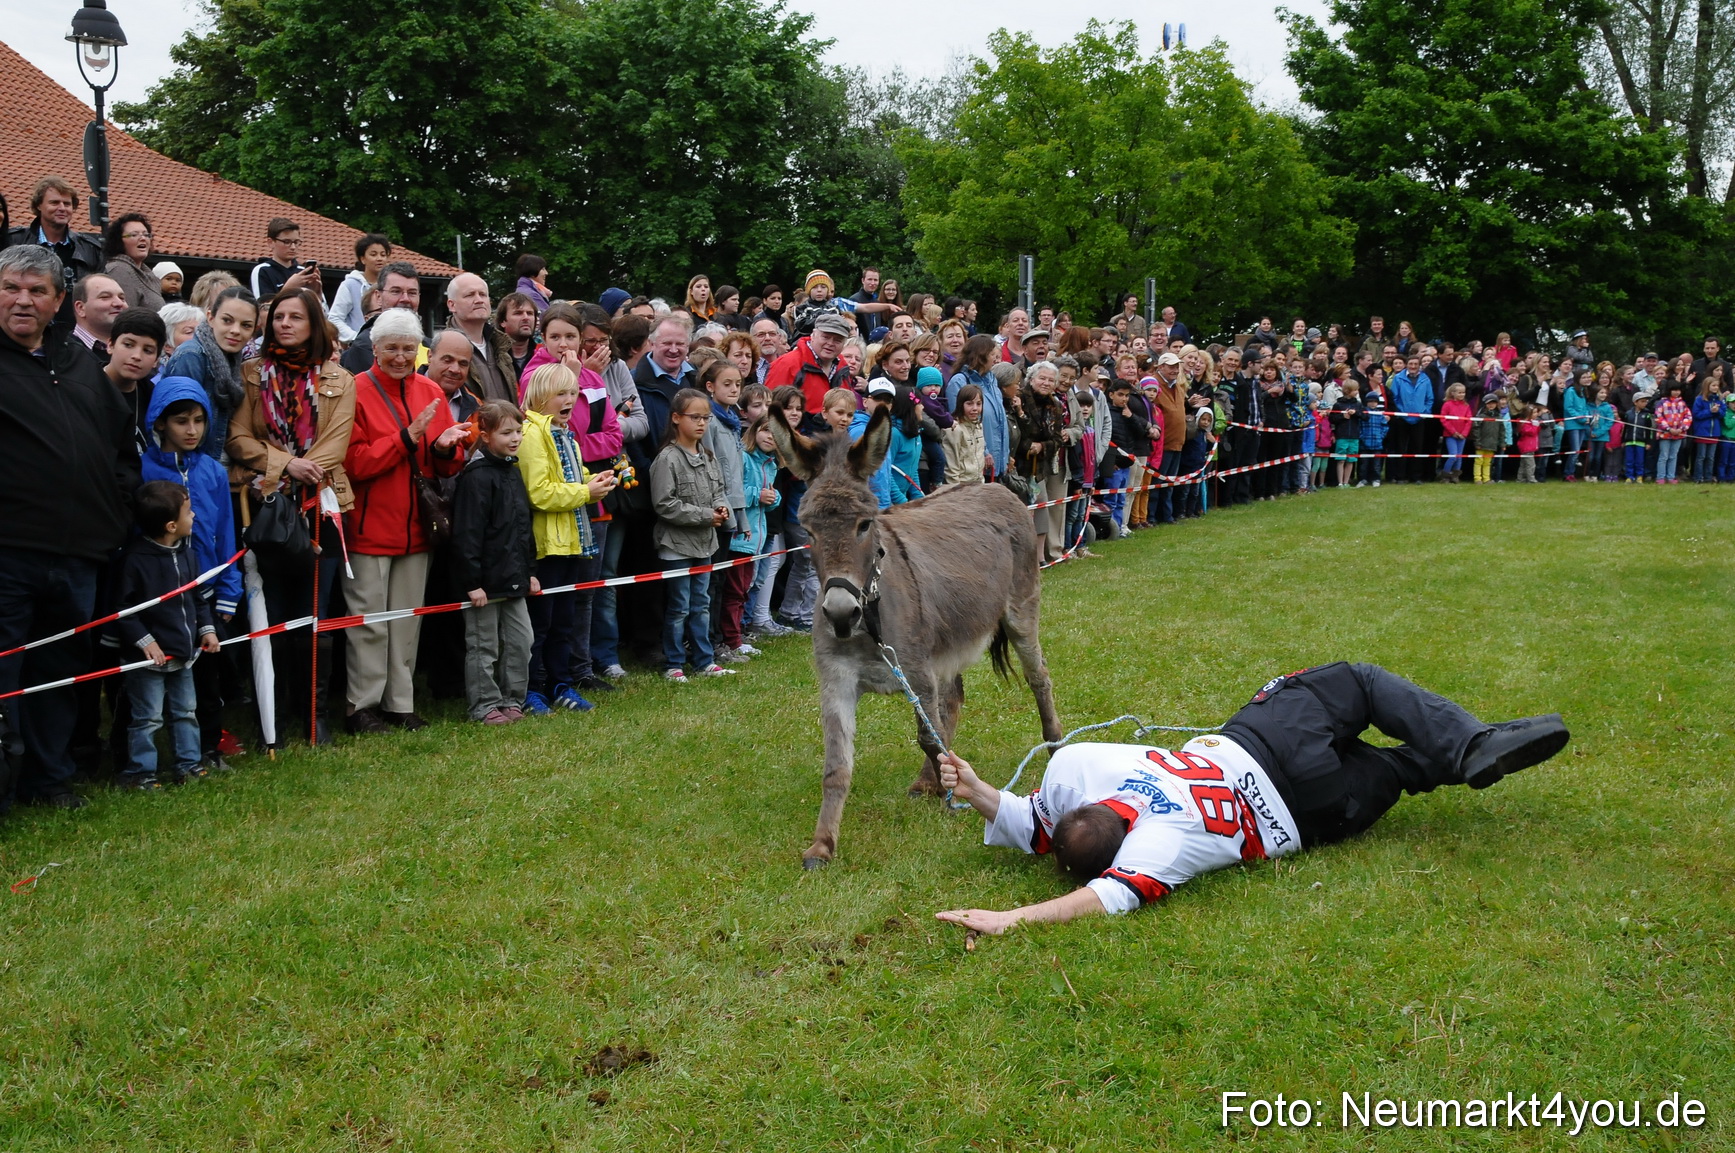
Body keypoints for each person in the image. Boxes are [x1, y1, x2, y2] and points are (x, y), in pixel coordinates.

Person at [932, 663, 1569, 933]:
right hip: (1261, 742)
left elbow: (1104, 892)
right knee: (1363, 686)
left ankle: (1455, 759)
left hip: (1314, 811)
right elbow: (1041, 827)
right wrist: (982, 788)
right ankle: (1473, 743)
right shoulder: (1082, 767)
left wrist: (1012, 916)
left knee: (1402, 769)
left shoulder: (1161, 847)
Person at [0, 245, 141, 809]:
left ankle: (50, 780)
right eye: (12, 287)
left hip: (80, 552)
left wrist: (120, 503)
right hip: (9, 550)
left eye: (37, 290)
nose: (22, 300)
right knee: (5, 673)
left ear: (60, 301)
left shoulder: (79, 362)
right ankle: (5, 787)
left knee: (60, 673)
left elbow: (119, 443)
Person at [227, 286, 356, 743]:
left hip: (320, 505)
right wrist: (285, 464)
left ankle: (315, 714)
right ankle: (274, 712)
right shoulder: (251, 374)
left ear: (314, 324)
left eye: (295, 317)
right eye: (278, 316)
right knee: (272, 612)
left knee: (315, 613)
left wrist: (302, 467)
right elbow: (237, 438)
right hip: (264, 507)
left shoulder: (340, 378)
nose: (284, 323)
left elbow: (336, 444)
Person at [342, 308, 469, 733]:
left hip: (418, 527)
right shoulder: (353, 391)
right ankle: (362, 706)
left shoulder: (428, 389)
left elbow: (449, 465)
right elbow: (354, 463)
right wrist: (406, 438)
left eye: (407, 349)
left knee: (407, 620)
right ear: (374, 349)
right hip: (369, 526)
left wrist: (447, 448)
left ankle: (401, 703)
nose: (400, 356)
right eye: (391, 348)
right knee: (369, 623)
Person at [140, 378, 242, 770]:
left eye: (199, 421)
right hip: (162, 596)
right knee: (151, 681)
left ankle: (208, 749)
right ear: (161, 422)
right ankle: (138, 759)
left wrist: (230, 588)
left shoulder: (213, 472)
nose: (192, 430)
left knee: (208, 680)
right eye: (182, 421)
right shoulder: (144, 468)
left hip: (208, 593)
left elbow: (227, 533)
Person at [518, 363, 617, 712]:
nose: (569, 400)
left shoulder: (565, 434)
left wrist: (597, 480)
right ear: (540, 396)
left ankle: (561, 685)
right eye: (561, 393)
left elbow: (572, 477)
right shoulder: (531, 434)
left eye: (573, 394)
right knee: (539, 625)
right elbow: (539, 493)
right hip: (545, 547)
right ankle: (532, 690)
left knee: (563, 622)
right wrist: (585, 491)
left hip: (572, 541)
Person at [112, 481, 222, 790]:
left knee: (185, 711)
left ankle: (188, 765)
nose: (194, 515)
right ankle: (139, 773)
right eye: (189, 511)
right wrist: (147, 642)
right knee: (148, 718)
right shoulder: (135, 560)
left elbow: (197, 598)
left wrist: (207, 630)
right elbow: (124, 609)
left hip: (184, 655)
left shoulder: (188, 554)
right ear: (171, 525)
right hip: (147, 661)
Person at [451, 400, 540, 725]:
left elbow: (522, 527)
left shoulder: (512, 471)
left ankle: (511, 699)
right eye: (507, 432)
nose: (515, 438)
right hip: (484, 585)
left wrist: (530, 572)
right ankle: (484, 705)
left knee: (521, 642)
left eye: (518, 431)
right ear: (486, 435)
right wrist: (472, 582)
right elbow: (467, 534)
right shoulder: (476, 478)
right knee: (483, 646)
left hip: (514, 578)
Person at [651, 388, 734, 682]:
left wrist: (721, 508)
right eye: (695, 417)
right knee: (679, 607)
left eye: (706, 418)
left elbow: (718, 490)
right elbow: (664, 504)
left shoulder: (708, 456)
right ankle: (674, 663)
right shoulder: (667, 459)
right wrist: (704, 516)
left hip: (705, 545)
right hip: (675, 546)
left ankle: (704, 660)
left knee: (701, 604)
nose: (701, 423)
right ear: (676, 418)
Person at [163, 285, 257, 460]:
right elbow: (178, 425)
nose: (235, 330)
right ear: (210, 317)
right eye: (227, 320)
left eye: (246, 325)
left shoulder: (233, 358)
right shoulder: (192, 356)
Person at [105, 307, 167, 459]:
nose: (137, 356)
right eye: (128, 345)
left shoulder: (154, 398)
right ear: (110, 345)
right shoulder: (83, 388)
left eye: (148, 350)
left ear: (156, 360)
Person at [764, 311, 852, 418]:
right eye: (825, 337)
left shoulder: (843, 367)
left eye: (837, 340)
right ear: (813, 335)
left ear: (844, 344)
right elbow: (770, 410)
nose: (830, 343)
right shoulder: (786, 364)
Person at [340, 263, 422, 374]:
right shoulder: (364, 345)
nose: (405, 299)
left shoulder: (427, 343)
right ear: (379, 297)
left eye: (412, 293)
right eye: (396, 291)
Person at [328, 233, 392, 343]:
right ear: (363, 259)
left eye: (383, 254)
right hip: (359, 347)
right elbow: (335, 318)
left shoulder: (390, 286)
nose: (379, 259)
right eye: (373, 254)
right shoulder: (350, 285)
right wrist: (356, 337)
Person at [102, 213, 164, 313]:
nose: (143, 238)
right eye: (134, 235)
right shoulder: (120, 270)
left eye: (146, 234)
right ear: (119, 241)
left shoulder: (147, 274)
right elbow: (124, 316)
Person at [250, 218, 321, 302]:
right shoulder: (262, 270)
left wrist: (317, 293)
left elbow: (324, 313)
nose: (293, 247)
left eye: (296, 242)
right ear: (271, 242)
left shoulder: (303, 272)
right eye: (287, 242)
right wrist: (288, 288)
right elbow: (262, 309)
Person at [70, 273, 128, 361]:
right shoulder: (60, 353)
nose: (119, 303)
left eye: (122, 298)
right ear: (81, 308)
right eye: (105, 297)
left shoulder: (134, 353)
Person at [1689, 370, 1726, 483]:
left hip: (1714, 432)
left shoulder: (1720, 399)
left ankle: (1708, 477)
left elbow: (1723, 414)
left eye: (1717, 386)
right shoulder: (1700, 399)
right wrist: (1710, 412)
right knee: (1701, 457)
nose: (1715, 388)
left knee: (1711, 457)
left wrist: (1717, 411)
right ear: (1707, 386)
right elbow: (1697, 414)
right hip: (1702, 432)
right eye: (1713, 385)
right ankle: (1698, 477)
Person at [1653, 381, 1691, 484]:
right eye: (1674, 390)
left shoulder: (1682, 403)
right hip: (1665, 434)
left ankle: (1670, 476)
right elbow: (1658, 417)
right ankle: (1660, 476)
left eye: (1678, 390)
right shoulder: (1662, 403)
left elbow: (1688, 417)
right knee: (1664, 456)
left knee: (1673, 456)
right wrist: (1669, 429)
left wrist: (1681, 429)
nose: (1676, 392)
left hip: (1679, 434)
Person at [495, 292, 540, 377]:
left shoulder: (545, 356)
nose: (526, 318)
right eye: (518, 313)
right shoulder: (492, 357)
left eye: (530, 313)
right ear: (502, 321)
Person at [1438, 381, 1471, 482]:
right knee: (1453, 455)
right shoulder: (1447, 405)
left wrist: (1464, 434)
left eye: (1463, 392)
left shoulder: (1466, 405)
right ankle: (1445, 475)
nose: (1462, 395)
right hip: (1450, 435)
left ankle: (1455, 475)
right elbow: (1443, 419)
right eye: (1459, 392)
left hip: (1462, 436)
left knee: (1459, 456)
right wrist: (1453, 432)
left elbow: (1469, 420)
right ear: (1453, 393)